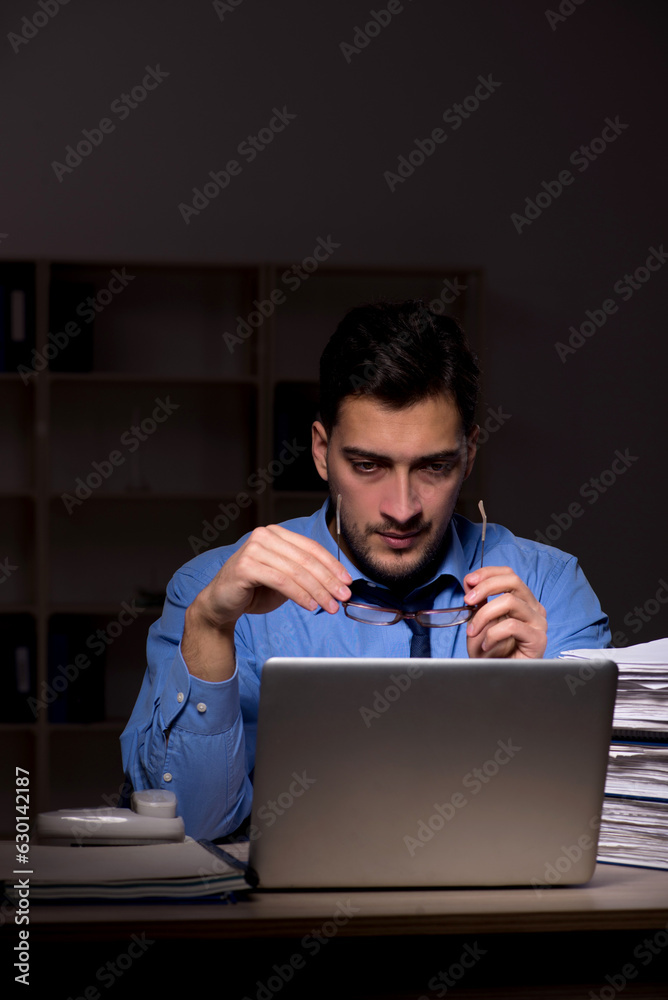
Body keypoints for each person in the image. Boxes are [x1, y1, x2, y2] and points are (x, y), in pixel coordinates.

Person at [121, 301, 610, 839]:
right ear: (321, 452)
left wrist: (530, 697)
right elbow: (192, 827)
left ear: (469, 455)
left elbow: (593, 829)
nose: (402, 508)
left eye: (434, 466)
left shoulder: (549, 590)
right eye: (368, 465)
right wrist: (211, 630)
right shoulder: (212, 593)